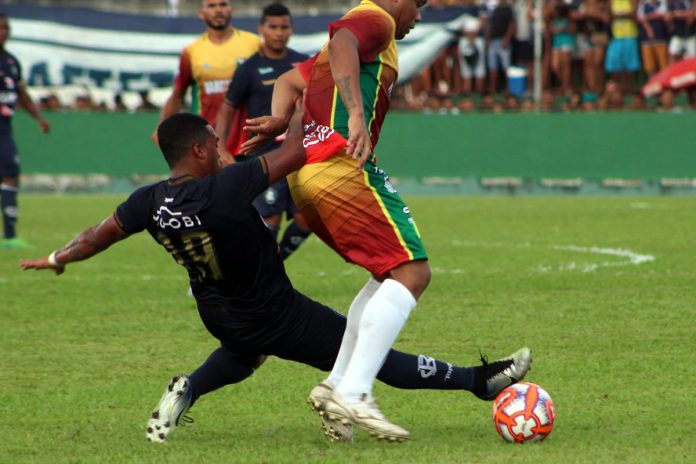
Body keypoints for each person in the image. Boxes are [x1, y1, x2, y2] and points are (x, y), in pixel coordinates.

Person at [20, 108, 532, 444]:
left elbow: (95, 235)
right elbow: (294, 154)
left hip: (218, 313)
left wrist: (58, 257)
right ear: (198, 151)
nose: (223, 151)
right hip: (276, 313)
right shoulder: (225, 188)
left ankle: (189, 389)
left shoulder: (147, 201)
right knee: (368, 356)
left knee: (243, 356)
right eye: (216, 144)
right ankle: (478, 382)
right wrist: (298, 106)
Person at [241, 0, 503, 442]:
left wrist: (283, 118)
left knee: (387, 275)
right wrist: (357, 112)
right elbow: (343, 39)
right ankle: (357, 392)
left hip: (308, 173)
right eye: (417, 6)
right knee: (413, 271)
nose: (418, 16)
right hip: (339, 166)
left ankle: (335, 385)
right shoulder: (377, 19)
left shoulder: (358, 44)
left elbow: (289, 78)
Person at [215, 3, 311, 260]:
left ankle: (271, 268)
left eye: (284, 27)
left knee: (308, 218)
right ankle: (249, 275)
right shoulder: (249, 68)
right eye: (273, 27)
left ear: (291, 29)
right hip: (266, 155)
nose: (279, 33)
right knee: (269, 217)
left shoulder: (302, 63)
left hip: (302, 153)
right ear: (261, 29)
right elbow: (227, 108)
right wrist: (221, 146)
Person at [152, 0, 260, 146]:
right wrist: (162, 126)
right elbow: (178, 93)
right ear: (201, 13)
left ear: (231, 9)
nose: (218, 10)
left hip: (250, 138)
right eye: (212, 6)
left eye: (223, 5)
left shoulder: (253, 44)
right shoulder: (192, 51)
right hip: (208, 139)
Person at [0, 14, 51, 250]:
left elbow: (21, 94)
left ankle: (10, 236)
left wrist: (38, 118)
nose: (4, 32)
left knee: (10, 175)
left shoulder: (11, 62)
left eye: (6, 27)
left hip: (4, 130)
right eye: (0, 27)